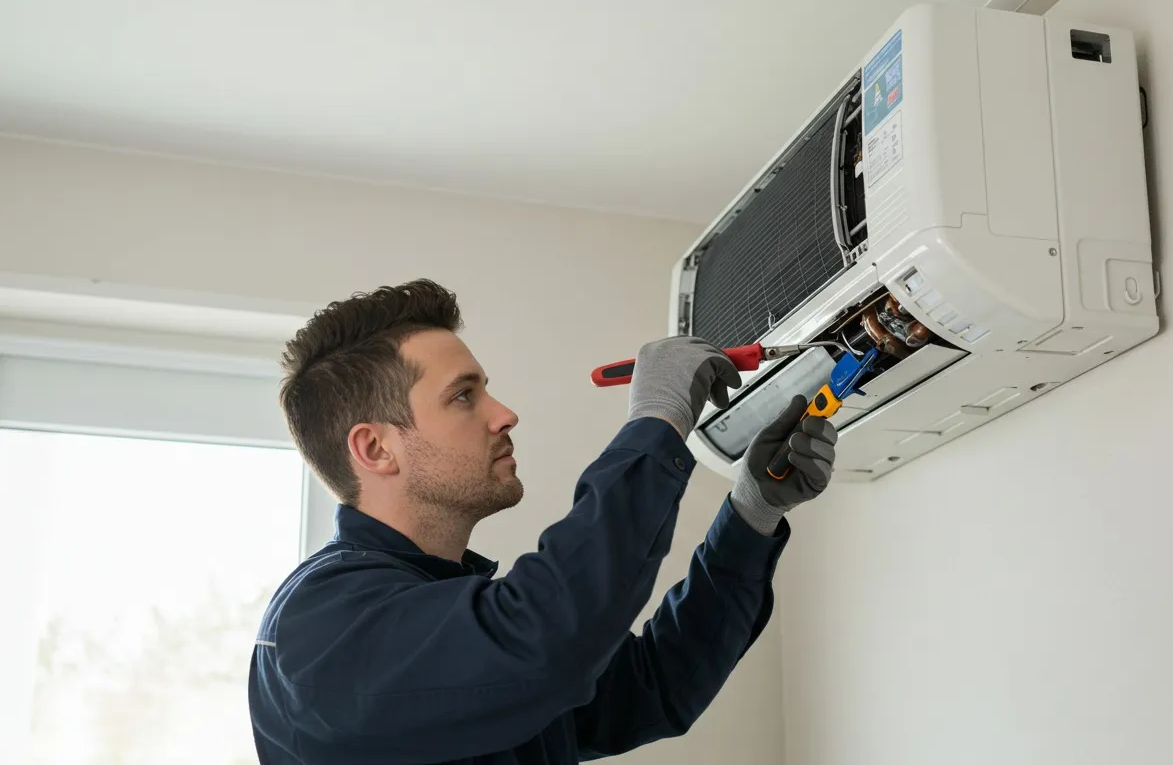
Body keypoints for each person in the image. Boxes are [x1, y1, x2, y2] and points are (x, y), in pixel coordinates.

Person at [247, 279, 839, 764]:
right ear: (375, 449)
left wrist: (752, 512)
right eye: (463, 396)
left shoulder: (442, 611)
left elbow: (650, 688)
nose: (505, 414)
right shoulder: (320, 628)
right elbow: (547, 637)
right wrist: (657, 420)